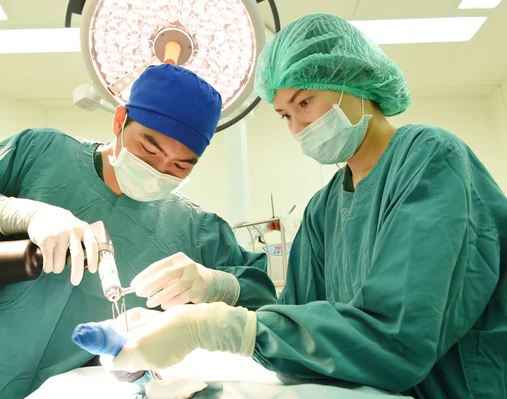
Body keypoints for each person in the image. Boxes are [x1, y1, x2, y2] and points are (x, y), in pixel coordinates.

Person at [95, 14, 507, 399]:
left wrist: (214, 328)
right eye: (284, 115)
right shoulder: (321, 211)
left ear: (356, 77)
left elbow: (397, 337)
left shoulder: (429, 160)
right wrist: (205, 302)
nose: (298, 127)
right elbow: (301, 327)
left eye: (305, 103)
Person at [0, 64, 277, 398]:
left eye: (180, 166)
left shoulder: (195, 228)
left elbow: (268, 305)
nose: (161, 170)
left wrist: (216, 283)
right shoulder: (41, 153)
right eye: (149, 149)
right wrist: (23, 213)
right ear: (119, 122)